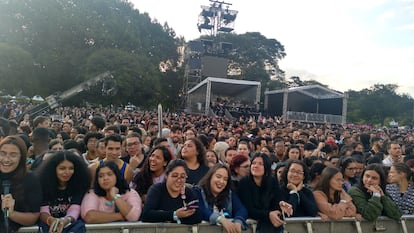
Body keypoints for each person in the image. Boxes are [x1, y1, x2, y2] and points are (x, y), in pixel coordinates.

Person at [36, 150, 91, 233]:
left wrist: (66, 220)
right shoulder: (42, 185)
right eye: (62, 168)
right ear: (53, 169)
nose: (67, 172)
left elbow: (75, 208)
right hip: (48, 222)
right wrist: (51, 220)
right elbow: (43, 210)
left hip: (71, 223)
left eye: (71, 168)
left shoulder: (79, 185)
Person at [237, 153, 293, 233]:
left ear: (266, 167)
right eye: (254, 163)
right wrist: (268, 215)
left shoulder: (272, 181)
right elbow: (248, 209)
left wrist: (281, 204)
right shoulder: (244, 183)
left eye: (260, 164)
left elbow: (277, 200)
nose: (256, 166)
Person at [0, 136, 42, 232]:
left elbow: (33, 217)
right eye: (2, 154)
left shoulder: (30, 179)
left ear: (21, 157)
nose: (6, 159)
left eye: (13, 155)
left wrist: (11, 213)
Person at [141, 159, 202, 224]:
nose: (179, 180)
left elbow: (198, 216)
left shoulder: (188, 192)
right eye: (175, 176)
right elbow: (146, 215)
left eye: (182, 177)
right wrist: (175, 214)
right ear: (166, 176)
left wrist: (164, 216)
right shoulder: (156, 189)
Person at [194, 163, 248, 233]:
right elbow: (200, 210)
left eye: (225, 179)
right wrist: (221, 219)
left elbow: (241, 209)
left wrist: (238, 221)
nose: (221, 181)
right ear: (210, 177)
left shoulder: (229, 194)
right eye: (218, 177)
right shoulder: (197, 191)